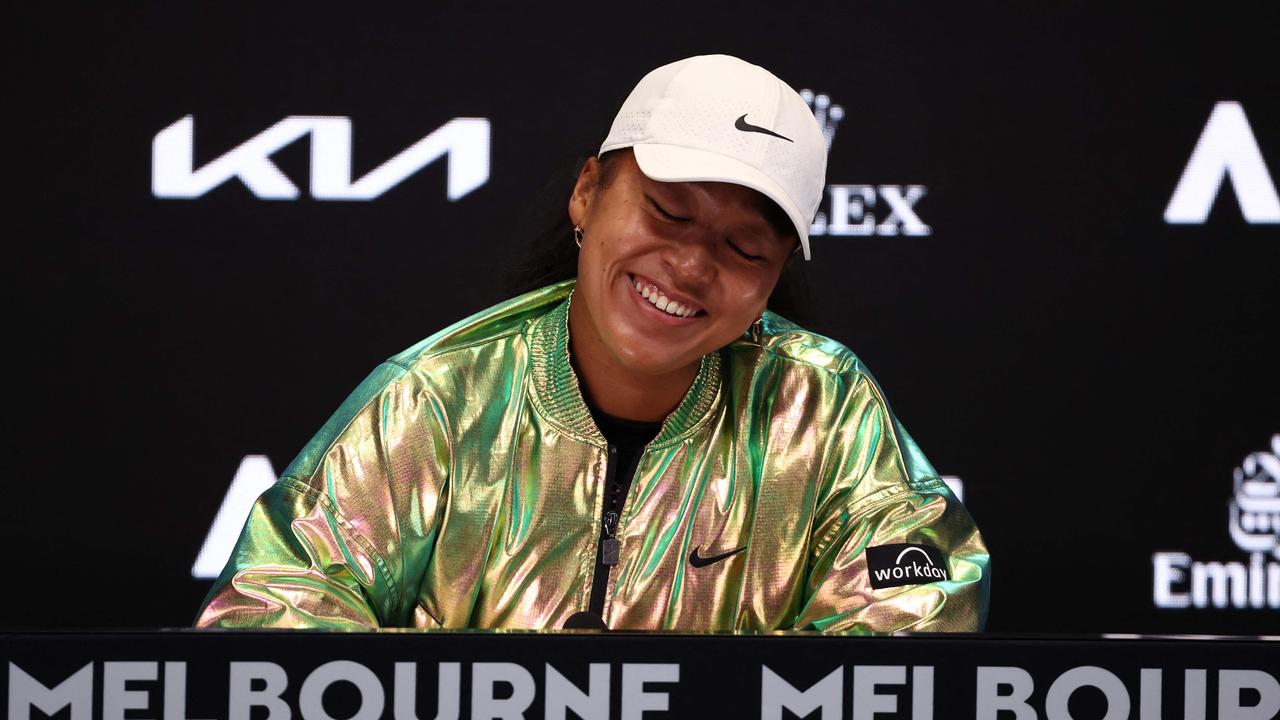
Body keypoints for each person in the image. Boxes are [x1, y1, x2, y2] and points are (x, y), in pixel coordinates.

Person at [195, 54, 990, 631]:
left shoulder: (820, 407)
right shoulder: (442, 395)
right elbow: (275, 605)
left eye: (745, 248)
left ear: (774, 277)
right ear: (587, 194)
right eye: (667, 214)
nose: (689, 266)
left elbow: (919, 599)